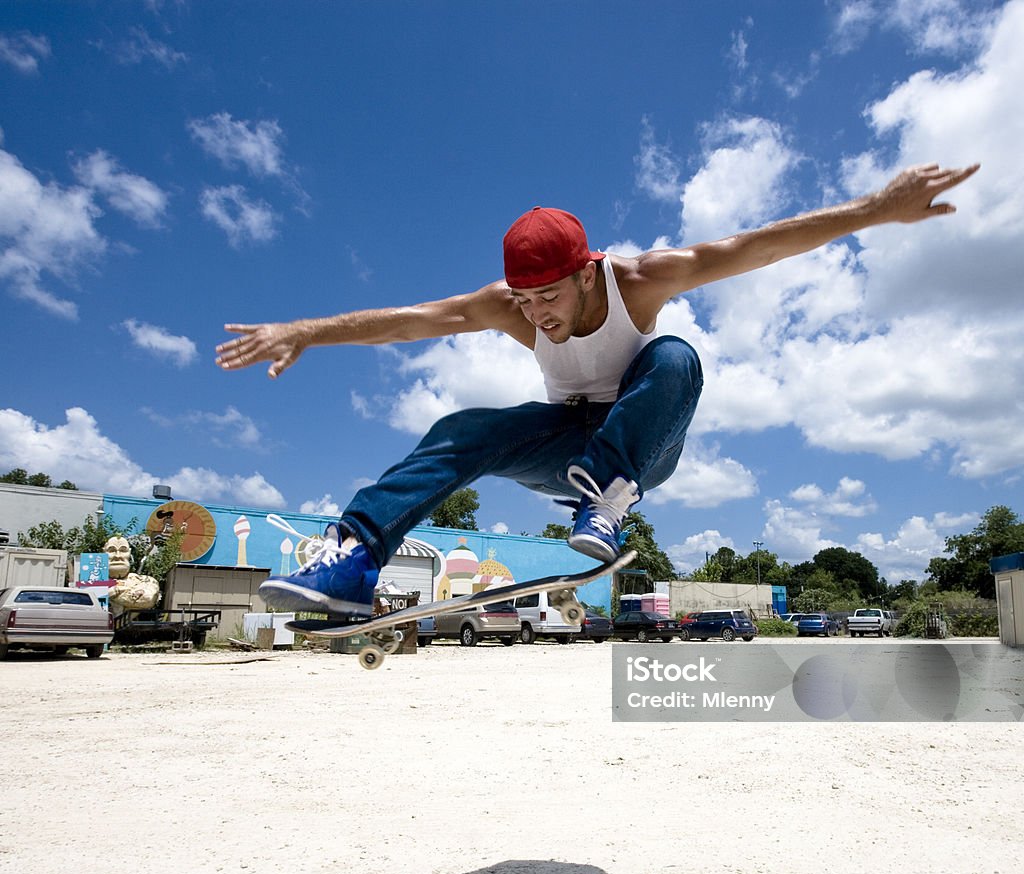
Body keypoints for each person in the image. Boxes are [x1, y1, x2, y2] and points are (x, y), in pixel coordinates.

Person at [216, 161, 978, 616]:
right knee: (463, 428)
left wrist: (874, 211)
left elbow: (753, 246)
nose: (538, 315)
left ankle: (607, 501)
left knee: (675, 356)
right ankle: (354, 556)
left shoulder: (638, 280)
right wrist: (307, 330)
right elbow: (410, 323)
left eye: (550, 297)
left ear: (587, 273)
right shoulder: (512, 304)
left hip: (642, 443)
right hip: (563, 444)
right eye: (525, 301)